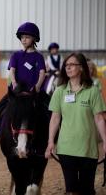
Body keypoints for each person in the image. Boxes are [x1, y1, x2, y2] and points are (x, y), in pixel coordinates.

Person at [0, 22, 47, 146]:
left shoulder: (38, 57)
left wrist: (37, 87)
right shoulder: (16, 55)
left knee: (50, 109)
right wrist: (14, 84)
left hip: (34, 92)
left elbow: (42, 73)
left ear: (34, 38)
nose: (24, 40)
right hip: (17, 92)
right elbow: (12, 71)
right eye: (22, 37)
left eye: (27, 37)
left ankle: (54, 137)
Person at [45, 52, 106, 195]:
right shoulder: (60, 91)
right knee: (71, 191)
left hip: (88, 149)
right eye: (66, 65)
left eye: (72, 64)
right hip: (66, 148)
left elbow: (99, 118)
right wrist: (50, 142)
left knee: (87, 190)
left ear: (82, 68)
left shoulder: (93, 91)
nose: (68, 67)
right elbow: (55, 118)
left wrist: (105, 141)